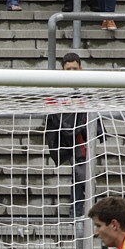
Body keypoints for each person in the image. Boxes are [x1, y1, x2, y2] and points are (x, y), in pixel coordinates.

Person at [44, 52, 90, 218]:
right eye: (68, 69)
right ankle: (77, 213)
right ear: (62, 70)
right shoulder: (57, 88)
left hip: (81, 138)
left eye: (74, 69)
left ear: (80, 69)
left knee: (81, 175)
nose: (72, 72)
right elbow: (48, 103)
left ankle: (77, 213)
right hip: (64, 137)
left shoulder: (88, 86)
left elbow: (92, 105)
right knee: (79, 175)